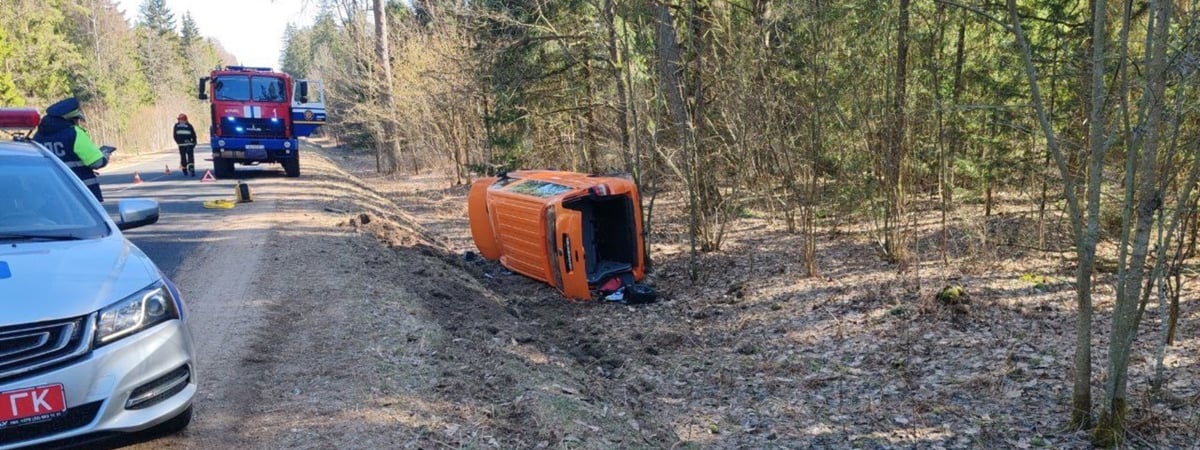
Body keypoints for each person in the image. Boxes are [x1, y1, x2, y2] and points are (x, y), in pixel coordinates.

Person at [32, 97, 112, 202]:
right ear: (70, 119)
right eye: (77, 119)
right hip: (81, 194)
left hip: (50, 196)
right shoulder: (74, 133)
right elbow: (96, 162)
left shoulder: (38, 136)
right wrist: (105, 156)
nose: (78, 122)